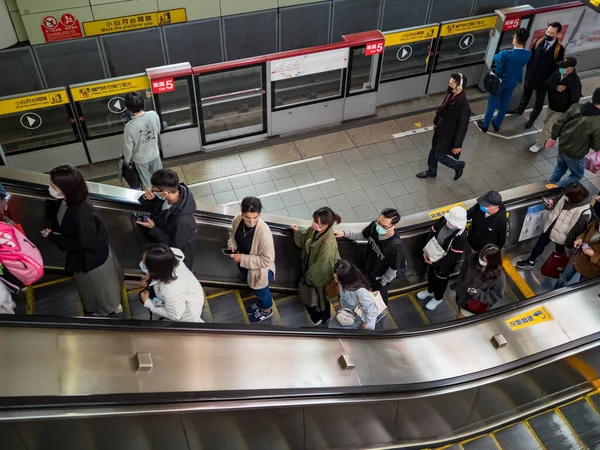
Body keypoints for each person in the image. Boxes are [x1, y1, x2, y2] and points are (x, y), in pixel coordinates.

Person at [41, 165, 123, 316]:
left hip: (91, 263)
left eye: (53, 185)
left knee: (99, 296)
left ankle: (103, 314)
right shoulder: (67, 200)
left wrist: (55, 237)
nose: (50, 188)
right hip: (90, 258)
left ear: (66, 188)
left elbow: (82, 243)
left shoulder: (81, 214)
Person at [334, 208, 405, 305]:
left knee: (380, 296)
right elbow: (363, 235)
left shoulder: (395, 247)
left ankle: (381, 310)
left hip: (379, 277)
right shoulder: (374, 226)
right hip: (368, 268)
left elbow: (393, 269)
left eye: (384, 226)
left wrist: (383, 281)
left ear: (393, 226)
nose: (379, 227)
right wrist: (344, 234)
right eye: (378, 222)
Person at [517, 182, 591, 270]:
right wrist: (551, 203)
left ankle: (558, 266)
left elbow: (576, 231)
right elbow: (556, 201)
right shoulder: (566, 195)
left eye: (568, 195)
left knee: (560, 253)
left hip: (562, 238)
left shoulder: (584, 212)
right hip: (549, 227)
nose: (565, 196)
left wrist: (568, 245)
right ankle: (531, 261)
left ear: (575, 197)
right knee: (539, 245)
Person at [137, 169, 198, 271]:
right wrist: (146, 196)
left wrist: (153, 228)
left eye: (154, 189)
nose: (152, 190)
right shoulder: (166, 197)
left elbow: (174, 246)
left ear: (166, 192)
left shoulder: (183, 221)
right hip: (159, 242)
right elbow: (150, 206)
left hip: (173, 260)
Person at [228, 197, 276, 323]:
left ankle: (266, 310)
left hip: (260, 272)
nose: (252, 221)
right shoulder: (238, 219)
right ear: (242, 213)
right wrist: (232, 245)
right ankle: (259, 305)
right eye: (247, 217)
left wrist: (242, 258)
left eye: (255, 217)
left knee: (262, 292)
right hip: (246, 267)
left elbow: (267, 260)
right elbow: (232, 234)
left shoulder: (264, 233)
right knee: (255, 289)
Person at [509, 22, 565, 128]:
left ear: (558, 34)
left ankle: (532, 119)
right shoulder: (539, 40)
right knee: (526, 94)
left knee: (539, 102)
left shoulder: (559, 49)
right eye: (548, 31)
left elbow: (557, 67)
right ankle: (520, 109)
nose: (548, 34)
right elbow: (532, 54)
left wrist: (550, 80)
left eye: (552, 33)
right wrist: (529, 69)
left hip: (544, 81)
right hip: (531, 75)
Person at [291, 207, 341, 326]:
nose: (313, 224)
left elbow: (322, 268)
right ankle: (322, 315)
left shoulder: (328, 244)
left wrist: (308, 278)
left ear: (324, 226)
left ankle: (321, 317)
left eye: (316, 222)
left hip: (318, 278)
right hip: (312, 272)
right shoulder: (316, 231)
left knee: (321, 299)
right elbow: (305, 239)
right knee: (319, 298)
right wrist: (297, 231)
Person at [417, 73, 470, 181]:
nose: (449, 86)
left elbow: (462, 128)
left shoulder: (464, 107)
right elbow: (442, 110)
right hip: (441, 129)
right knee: (434, 150)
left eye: (451, 84)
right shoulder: (450, 96)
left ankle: (458, 165)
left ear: (459, 87)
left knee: (439, 155)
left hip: (448, 135)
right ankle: (431, 171)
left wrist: (457, 145)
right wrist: (436, 122)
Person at [477, 28, 531, 133]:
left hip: (499, 82)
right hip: (512, 82)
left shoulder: (506, 54)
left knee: (492, 103)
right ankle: (497, 124)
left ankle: (485, 125)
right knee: (504, 104)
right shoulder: (528, 53)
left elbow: (494, 57)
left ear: (515, 39)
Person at [545, 87, 600, 188]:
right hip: (576, 153)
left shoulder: (575, 106)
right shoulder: (597, 122)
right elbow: (597, 145)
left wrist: (553, 137)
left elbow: (559, 122)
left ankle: (549, 184)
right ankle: (556, 189)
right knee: (577, 175)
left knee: (560, 168)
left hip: (563, 144)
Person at [418, 206, 467, 311]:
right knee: (431, 274)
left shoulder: (460, 237)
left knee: (441, 280)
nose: (449, 224)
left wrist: (435, 263)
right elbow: (432, 234)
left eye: (452, 223)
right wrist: (426, 251)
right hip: (432, 255)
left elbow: (452, 256)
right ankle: (430, 291)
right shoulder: (442, 220)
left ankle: (438, 298)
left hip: (445, 264)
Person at [139, 244, 204, 322]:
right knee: (153, 297)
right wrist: (151, 276)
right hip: (174, 301)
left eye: (145, 265)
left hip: (184, 317)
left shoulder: (171, 290)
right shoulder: (170, 257)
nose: (142, 263)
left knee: (151, 299)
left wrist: (148, 302)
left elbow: (174, 316)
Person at [529, 57, 582, 153]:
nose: (562, 68)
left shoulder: (575, 82)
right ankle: (546, 138)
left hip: (562, 111)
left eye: (565, 67)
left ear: (571, 69)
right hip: (551, 106)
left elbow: (574, 100)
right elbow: (547, 84)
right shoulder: (558, 73)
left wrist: (567, 114)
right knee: (546, 121)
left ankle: (539, 144)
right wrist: (556, 87)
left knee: (549, 127)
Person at [123, 91, 162, 191]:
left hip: (140, 159)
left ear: (129, 108)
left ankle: (149, 198)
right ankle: (163, 195)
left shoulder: (129, 127)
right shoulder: (153, 114)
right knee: (160, 178)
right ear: (142, 102)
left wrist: (127, 161)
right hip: (154, 153)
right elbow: (157, 130)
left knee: (145, 182)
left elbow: (128, 148)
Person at [455, 244, 505, 318]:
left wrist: (478, 294)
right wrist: (459, 283)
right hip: (461, 296)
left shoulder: (498, 276)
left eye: (485, 260)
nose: (481, 261)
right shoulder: (472, 257)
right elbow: (463, 269)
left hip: (475, 305)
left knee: (459, 321)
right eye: (481, 257)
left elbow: (495, 296)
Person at [328, 260, 378, 330]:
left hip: (358, 320)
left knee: (333, 327)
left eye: (337, 277)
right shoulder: (342, 283)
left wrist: (363, 326)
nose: (335, 280)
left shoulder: (361, 292)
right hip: (348, 314)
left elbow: (371, 311)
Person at [554, 219, 600, 289]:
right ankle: (554, 294)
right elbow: (586, 231)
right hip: (577, 258)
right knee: (562, 279)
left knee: (581, 288)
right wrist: (580, 239)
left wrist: (593, 254)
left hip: (591, 269)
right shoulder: (596, 223)